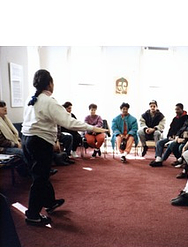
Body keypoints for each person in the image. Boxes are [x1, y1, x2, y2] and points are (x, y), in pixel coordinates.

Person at [22, 69, 108, 227]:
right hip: (39, 142)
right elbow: (70, 123)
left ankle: (49, 202)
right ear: (50, 84)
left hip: (26, 140)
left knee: (40, 175)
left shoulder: (31, 98)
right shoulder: (49, 101)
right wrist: (95, 129)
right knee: (40, 178)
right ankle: (32, 215)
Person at [0, 100, 29, 176]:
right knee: (23, 152)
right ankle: (34, 172)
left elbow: (14, 134)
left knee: (30, 146)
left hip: (12, 144)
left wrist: (18, 141)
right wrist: (16, 145)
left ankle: (35, 170)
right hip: (3, 148)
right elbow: (2, 142)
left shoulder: (5, 119)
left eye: (5, 105)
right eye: (2, 106)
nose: (5, 108)